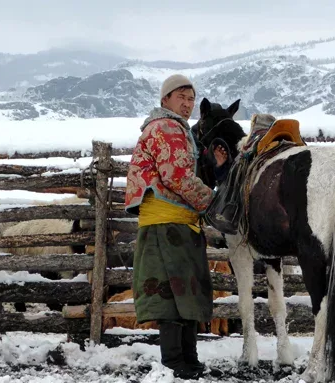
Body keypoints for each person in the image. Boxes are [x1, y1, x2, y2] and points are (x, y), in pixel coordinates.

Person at [124, 74, 228, 379]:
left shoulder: (173, 129)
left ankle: (188, 360)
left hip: (176, 222)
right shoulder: (167, 128)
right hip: (166, 224)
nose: (187, 104)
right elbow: (177, 176)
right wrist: (214, 203)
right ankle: (174, 362)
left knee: (184, 294)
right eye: (181, 97)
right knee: (171, 295)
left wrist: (211, 164)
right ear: (165, 99)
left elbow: (181, 171)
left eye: (191, 98)